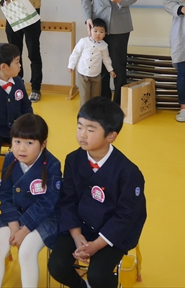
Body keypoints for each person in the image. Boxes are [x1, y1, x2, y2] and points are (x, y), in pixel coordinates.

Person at [48, 97, 146, 288]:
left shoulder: (128, 172)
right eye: (79, 127)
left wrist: (96, 245)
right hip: (80, 225)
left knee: (98, 276)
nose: (82, 134)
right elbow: (68, 200)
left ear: (111, 136)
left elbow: (125, 216)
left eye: (91, 130)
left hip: (111, 233)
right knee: (57, 266)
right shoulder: (73, 159)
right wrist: (76, 235)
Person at [0, 113, 61, 288]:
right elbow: (5, 195)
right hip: (15, 214)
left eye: (29, 143)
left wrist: (24, 230)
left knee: (27, 251)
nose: (21, 149)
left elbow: (48, 203)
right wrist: (14, 226)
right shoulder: (10, 159)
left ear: (43, 144)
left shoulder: (52, 165)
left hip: (44, 218)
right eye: (17, 141)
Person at [81, 0, 138, 105]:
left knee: (118, 66)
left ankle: (119, 103)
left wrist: (120, 0)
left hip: (119, 24)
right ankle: (104, 102)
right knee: (100, 66)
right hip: (99, 25)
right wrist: (88, 19)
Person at [0, 43, 33, 163]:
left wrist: (28, 125)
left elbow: (26, 106)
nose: (20, 65)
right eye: (17, 62)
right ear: (4, 66)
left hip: (17, 129)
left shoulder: (18, 82)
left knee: (32, 147)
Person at [68, 18, 116, 107]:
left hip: (96, 75)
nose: (98, 34)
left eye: (101, 32)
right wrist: (71, 65)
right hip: (83, 74)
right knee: (84, 96)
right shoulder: (83, 41)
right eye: (95, 31)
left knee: (96, 97)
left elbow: (106, 59)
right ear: (90, 31)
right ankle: (84, 112)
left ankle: (94, 112)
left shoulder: (104, 46)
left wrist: (110, 70)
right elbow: (75, 53)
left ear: (105, 34)